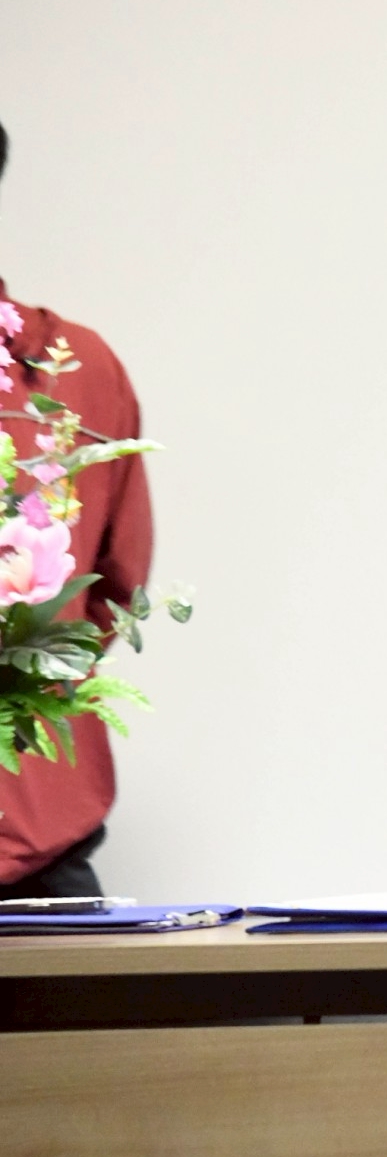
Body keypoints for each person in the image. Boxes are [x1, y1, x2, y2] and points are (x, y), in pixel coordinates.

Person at [0, 119, 155, 898]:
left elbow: (112, 586)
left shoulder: (75, 370)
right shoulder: (81, 368)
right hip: (41, 823)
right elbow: (116, 589)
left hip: (36, 840)